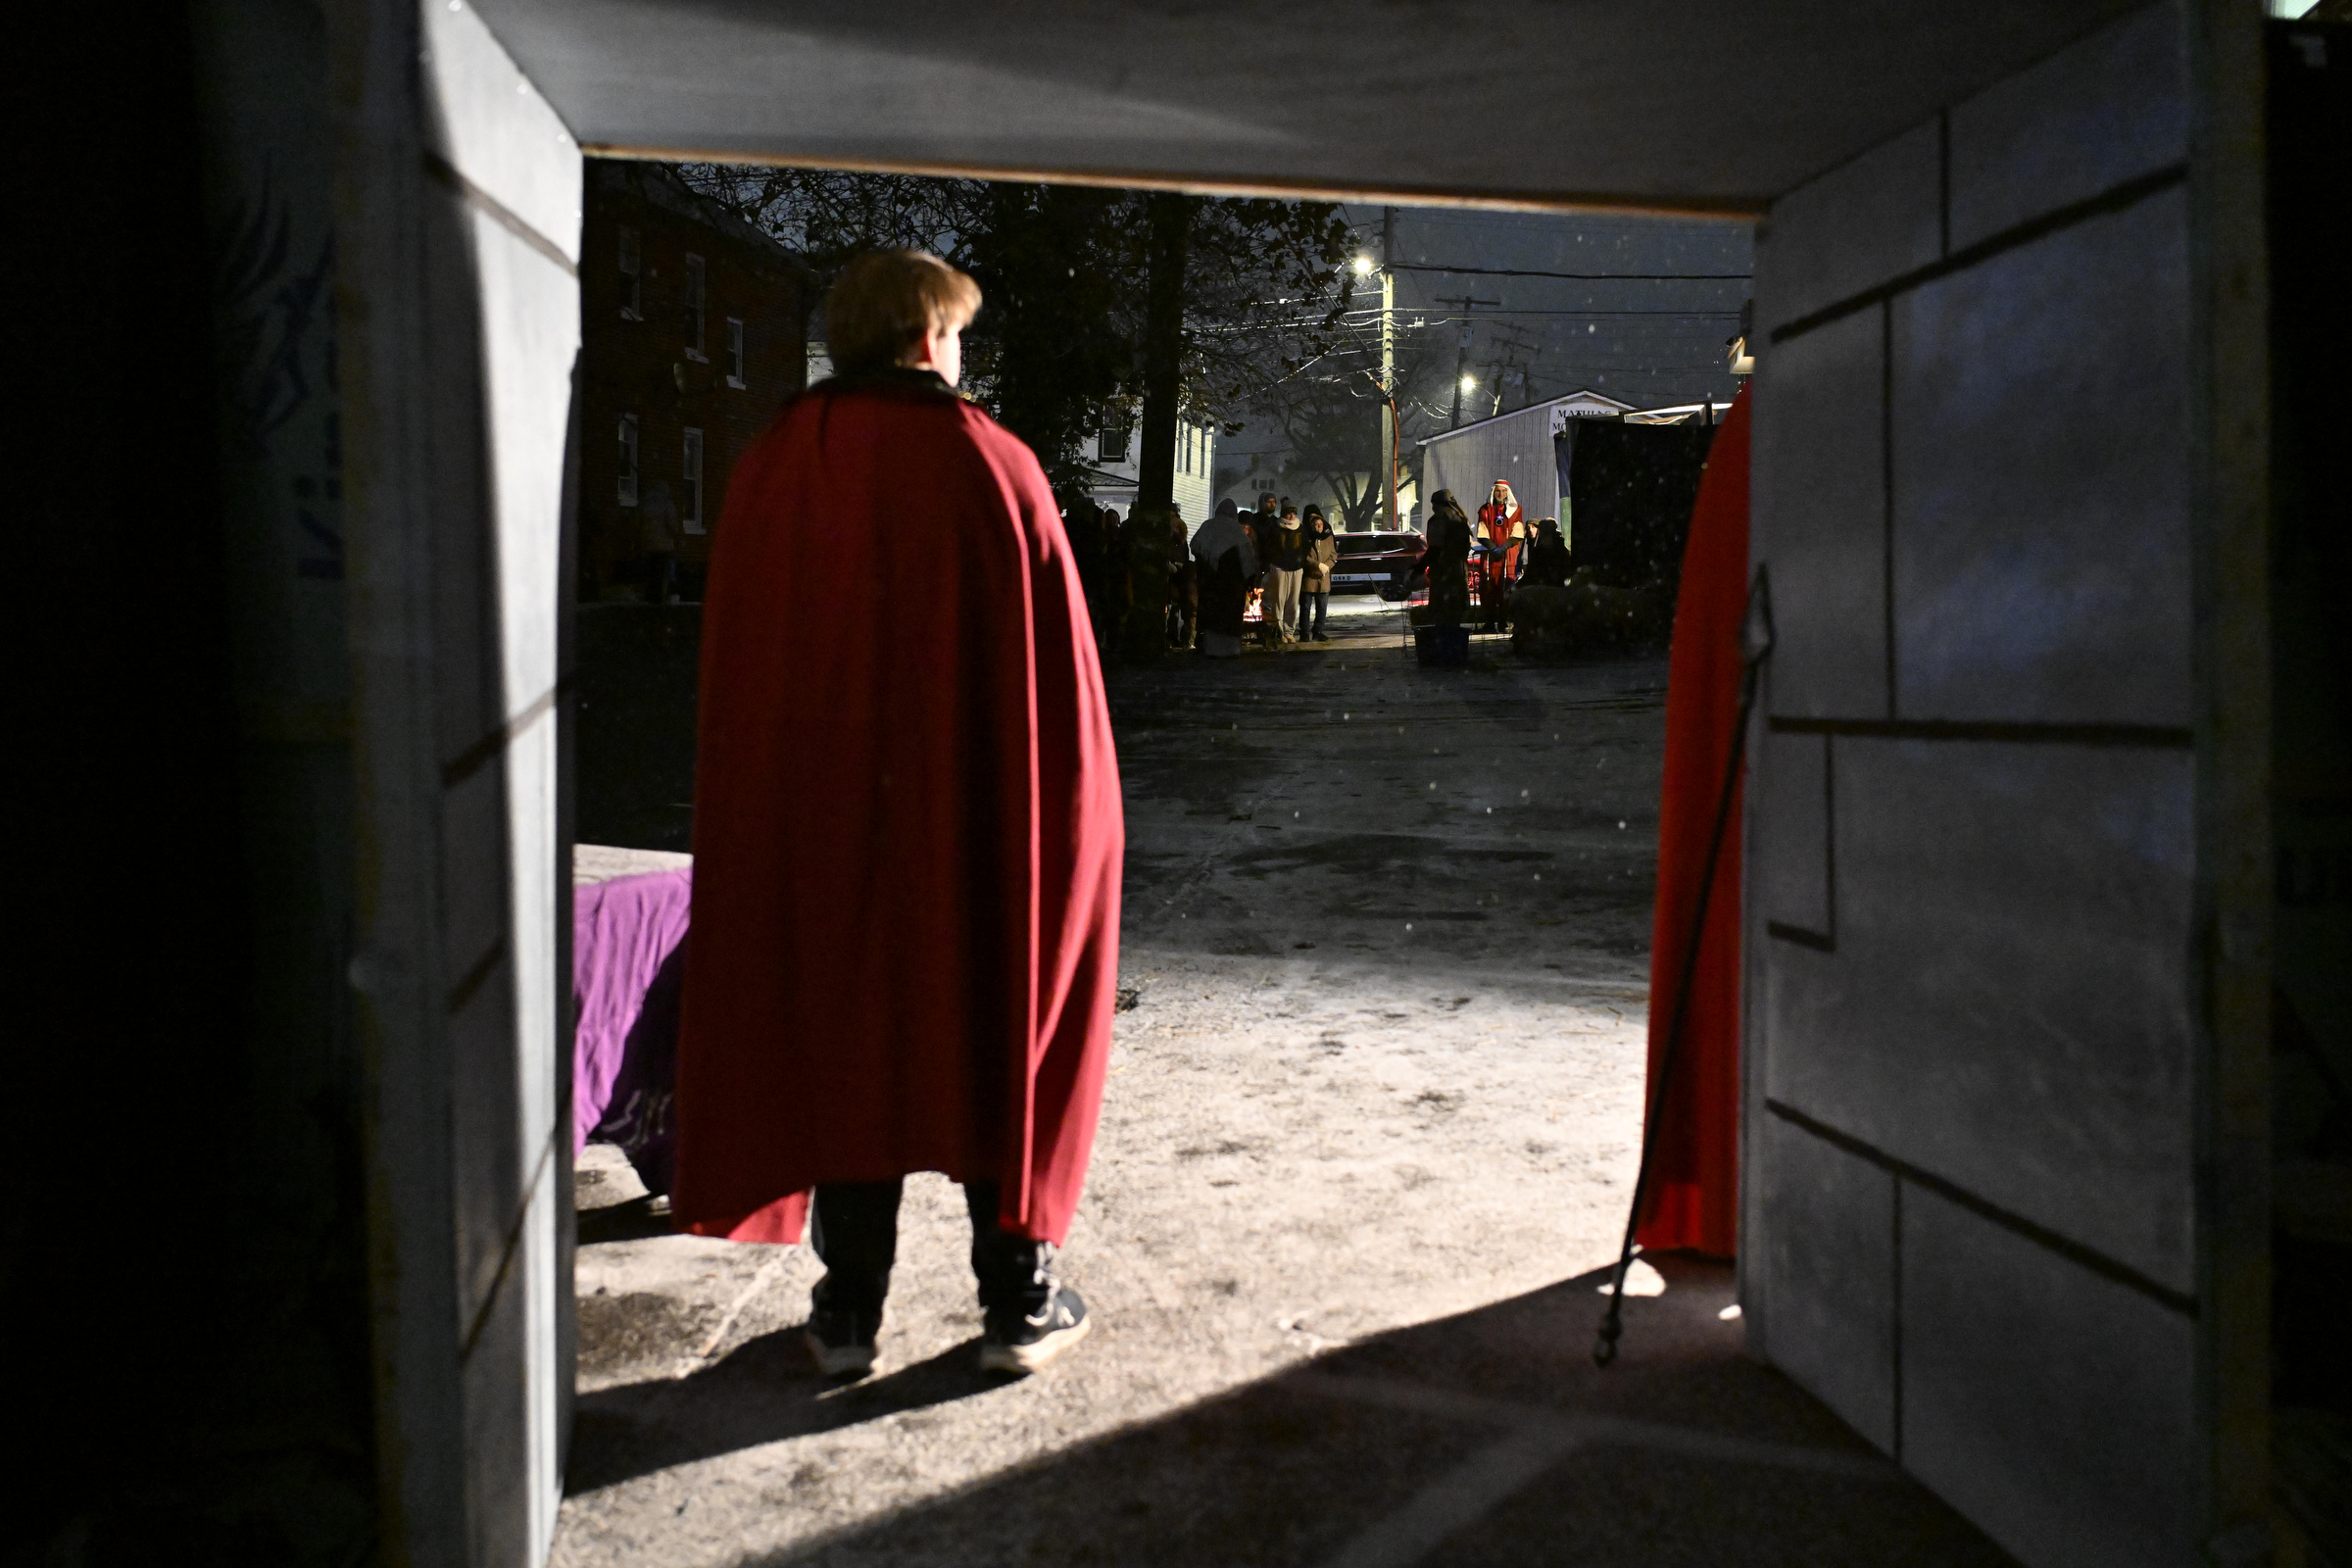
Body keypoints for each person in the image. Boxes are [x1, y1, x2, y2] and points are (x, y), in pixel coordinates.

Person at [673, 250, 1121, 1379]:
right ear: (928, 337)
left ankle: (847, 1316)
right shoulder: (991, 461)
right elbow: (1058, 697)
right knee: (991, 1029)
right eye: (957, 334)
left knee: (849, 1038)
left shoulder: (779, 461)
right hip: (973, 824)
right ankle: (1016, 1304)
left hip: (824, 822)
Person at [1192, 497, 1259, 658]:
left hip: (1209, 581)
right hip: (1232, 583)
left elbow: (1195, 545)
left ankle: (1210, 648)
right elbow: (1247, 559)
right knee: (1229, 616)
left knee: (1212, 615)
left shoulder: (1207, 526)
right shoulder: (1237, 531)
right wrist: (1250, 581)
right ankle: (1230, 649)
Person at [1416, 489, 1474, 629]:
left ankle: (1443, 641)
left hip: (1443, 572)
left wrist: (1421, 566)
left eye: (1434, 504)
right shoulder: (1461, 520)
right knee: (1455, 611)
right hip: (1459, 571)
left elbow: (1435, 547)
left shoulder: (1438, 520)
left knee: (1442, 610)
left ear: (1439, 504)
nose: (1432, 507)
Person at [1477, 479, 1527, 628]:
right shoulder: (1485, 510)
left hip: (1508, 554)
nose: (1501, 494)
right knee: (1489, 587)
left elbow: (1517, 533)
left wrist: (1503, 548)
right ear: (1494, 492)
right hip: (1491, 555)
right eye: (1498, 491)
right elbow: (1482, 531)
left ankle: (1503, 621)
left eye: (1504, 491)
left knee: (1507, 586)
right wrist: (1493, 549)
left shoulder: (1516, 509)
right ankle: (1490, 621)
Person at [1261, 506, 1307, 646]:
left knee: (1293, 601)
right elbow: (1269, 547)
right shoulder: (1276, 528)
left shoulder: (1300, 528)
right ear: (1283, 514)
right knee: (1278, 599)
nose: (1291, 516)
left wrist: (1301, 559)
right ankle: (1279, 631)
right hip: (1279, 567)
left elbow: (1305, 547)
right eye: (1289, 513)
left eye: (1294, 513)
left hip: (1296, 567)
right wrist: (1276, 561)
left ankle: (1289, 631)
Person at [1299, 506, 1338, 642]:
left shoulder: (1328, 537)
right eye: (1315, 525)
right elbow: (1304, 556)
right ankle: (1304, 632)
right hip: (1309, 576)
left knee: (1322, 607)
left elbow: (1333, 554)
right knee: (1305, 607)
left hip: (1324, 577)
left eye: (1320, 525)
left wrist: (1327, 566)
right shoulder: (1306, 538)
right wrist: (1316, 565)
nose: (1318, 527)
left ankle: (1318, 631)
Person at [1517, 516, 1573, 588]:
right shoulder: (1537, 551)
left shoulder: (1561, 552)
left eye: (1546, 534)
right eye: (1542, 533)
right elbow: (1530, 573)